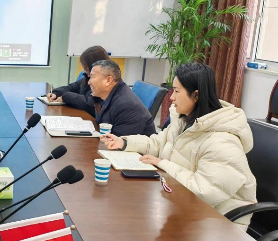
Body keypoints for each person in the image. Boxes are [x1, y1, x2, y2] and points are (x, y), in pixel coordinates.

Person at [101, 63, 257, 230]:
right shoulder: (185, 120)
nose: (172, 97)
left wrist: (162, 163)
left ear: (195, 95)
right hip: (184, 205)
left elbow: (204, 192)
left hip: (218, 223)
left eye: (176, 91)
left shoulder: (222, 142)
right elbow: (157, 143)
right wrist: (124, 142)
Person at [88, 60, 156, 136]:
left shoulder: (126, 105)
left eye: (92, 77)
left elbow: (120, 141)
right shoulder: (104, 96)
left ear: (108, 80)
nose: (89, 82)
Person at [46, 45, 110, 116]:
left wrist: (66, 97)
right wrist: (56, 93)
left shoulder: (107, 82)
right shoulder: (87, 78)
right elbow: (71, 88)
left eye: (86, 68)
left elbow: (92, 104)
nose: (84, 70)